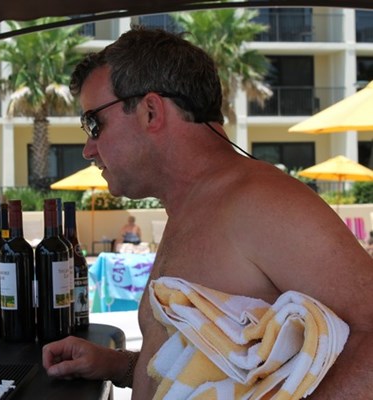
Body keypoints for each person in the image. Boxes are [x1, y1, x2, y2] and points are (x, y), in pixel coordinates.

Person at [41, 27, 373, 399]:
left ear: (150, 111)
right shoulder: (195, 207)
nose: (88, 149)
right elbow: (206, 369)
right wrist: (120, 366)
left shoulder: (260, 203)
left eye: (93, 124)